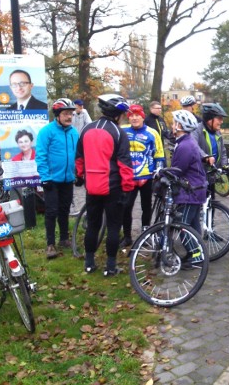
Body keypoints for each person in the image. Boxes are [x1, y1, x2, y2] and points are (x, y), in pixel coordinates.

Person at [75, 94, 134, 276]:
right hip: (113, 187)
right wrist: (128, 188)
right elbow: (125, 164)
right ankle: (110, 266)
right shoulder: (118, 132)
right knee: (114, 227)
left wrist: (79, 176)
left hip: (92, 186)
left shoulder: (86, 129)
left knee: (93, 224)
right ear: (117, 114)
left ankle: (89, 263)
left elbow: (79, 158)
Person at [35, 98, 79, 259]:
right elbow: (41, 156)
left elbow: (77, 156)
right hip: (52, 180)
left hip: (68, 179)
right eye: (66, 113)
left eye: (71, 114)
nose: (69, 117)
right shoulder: (47, 131)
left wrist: (78, 173)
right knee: (51, 212)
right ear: (58, 115)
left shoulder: (74, 132)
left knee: (64, 210)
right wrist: (45, 177)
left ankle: (64, 239)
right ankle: (50, 244)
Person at [120, 104, 166, 248]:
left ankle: (145, 234)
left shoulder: (152, 133)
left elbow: (159, 154)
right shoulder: (123, 131)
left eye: (137, 115)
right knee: (126, 207)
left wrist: (157, 174)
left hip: (147, 176)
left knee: (146, 207)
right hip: (129, 177)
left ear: (142, 117)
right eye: (131, 115)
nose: (134, 118)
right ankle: (127, 236)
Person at [170, 110, 208, 237]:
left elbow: (178, 170)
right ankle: (198, 253)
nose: (172, 125)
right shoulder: (187, 142)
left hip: (190, 192)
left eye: (174, 123)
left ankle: (195, 255)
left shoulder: (185, 146)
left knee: (183, 227)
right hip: (196, 190)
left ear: (179, 126)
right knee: (194, 226)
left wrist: (161, 174)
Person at [193, 103, 229, 170]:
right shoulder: (196, 130)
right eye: (219, 118)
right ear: (209, 119)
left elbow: (223, 151)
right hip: (200, 174)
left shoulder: (218, 133)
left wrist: (224, 165)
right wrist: (205, 157)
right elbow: (193, 147)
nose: (222, 121)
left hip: (213, 174)